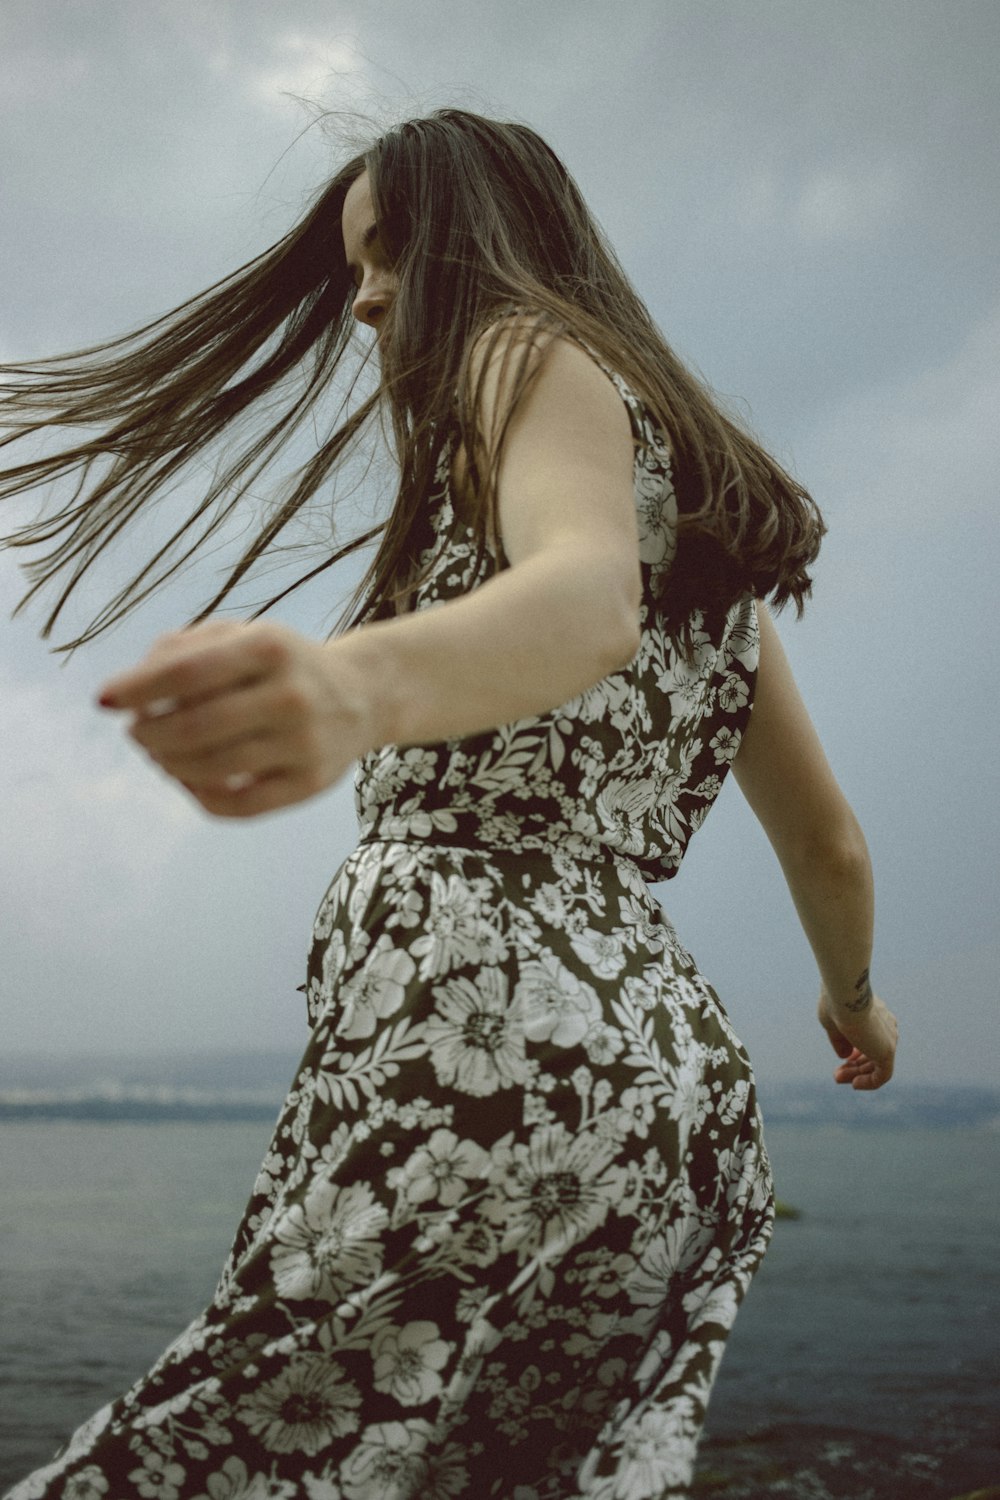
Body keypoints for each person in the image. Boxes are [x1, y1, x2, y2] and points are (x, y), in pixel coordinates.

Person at [1, 109, 897, 1500]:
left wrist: (356, 690)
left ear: (488, 244)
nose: (365, 294)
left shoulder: (511, 348)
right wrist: (854, 1001)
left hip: (489, 1054)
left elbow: (585, 595)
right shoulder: (708, 546)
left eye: (393, 253)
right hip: (672, 1102)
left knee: (237, 1439)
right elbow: (828, 842)